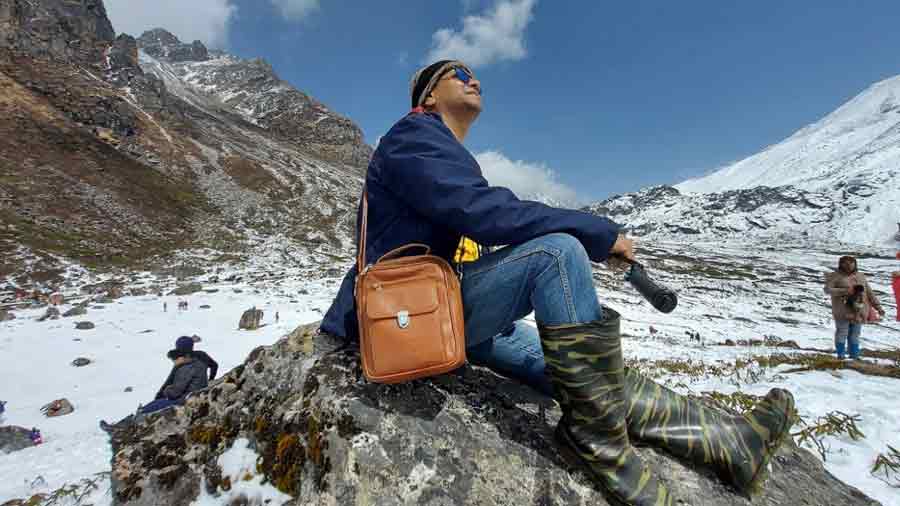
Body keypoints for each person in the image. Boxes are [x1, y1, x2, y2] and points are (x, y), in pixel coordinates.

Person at [319, 59, 795, 505]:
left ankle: (733, 443)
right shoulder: (414, 136)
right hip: (401, 318)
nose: (474, 80)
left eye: (474, 75)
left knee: (586, 373)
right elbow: (484, 213)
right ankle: (596, 443)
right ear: (426, 98)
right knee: (557, 253)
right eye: (458, 73)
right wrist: (598, 234)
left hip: (438, 310)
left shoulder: (442, 151)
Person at [100, 337, 209, 432]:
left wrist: (167, 390)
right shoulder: (198, 363)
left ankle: (124, 428)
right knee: (155, 403)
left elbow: (175, 392)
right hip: (192, 397)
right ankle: (125, 423)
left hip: (184, 400)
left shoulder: (187, 368)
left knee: (148, 409)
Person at [824, 255, 885, 359]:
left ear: (855, 264)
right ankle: (841, 355)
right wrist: (845, 291)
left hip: (859, 311)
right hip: (842, 311)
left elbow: (869, 293)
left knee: (855, 335)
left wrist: (878, 307)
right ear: (841, 264)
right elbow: (827, 290)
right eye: (845, 263)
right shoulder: (835, 276)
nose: (849, 265)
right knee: (842, 332)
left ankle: (854, 356)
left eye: (851, 263)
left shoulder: (861, 276)